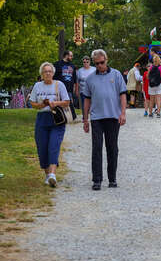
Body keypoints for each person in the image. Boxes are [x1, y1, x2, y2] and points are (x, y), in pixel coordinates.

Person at [82, 49, 127, 191]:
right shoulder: (90, 79)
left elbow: (123, 95)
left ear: (106, 60)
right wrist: (85, 119)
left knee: (112, 148)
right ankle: (97, 179)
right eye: (97, 64)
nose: (100, 65)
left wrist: (123, 113)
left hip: (113, 116)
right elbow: (87, 100)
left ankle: (112, 178)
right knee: (96, 148)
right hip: (96, 118)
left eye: (102, 62)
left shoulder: (116, 75)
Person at [29, 62, 71, 187]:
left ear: (53, 73)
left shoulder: (59, 85)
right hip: (42, 118)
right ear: (41, 74)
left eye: (50, 71)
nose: (47, 73)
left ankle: (53, 174)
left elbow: (67, 102)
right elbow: (32, 103)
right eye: (45, 71)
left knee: (53, 145)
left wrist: (55, 103)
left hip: (56, 119)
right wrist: (42, 104)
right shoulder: (37, 86)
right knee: (42, 148)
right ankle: (47, 175)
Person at [54, 51, 78, 116]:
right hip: (59, 89)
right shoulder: (57, 64)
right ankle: (59, 117)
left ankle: (70, 117)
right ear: (66, 55)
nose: (72, 57)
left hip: (69, 89)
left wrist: (75, 88)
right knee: (59, 104)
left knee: (69, 104)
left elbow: (75, 78)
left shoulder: (72, 66)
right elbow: (53, 76)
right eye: (71, 56)